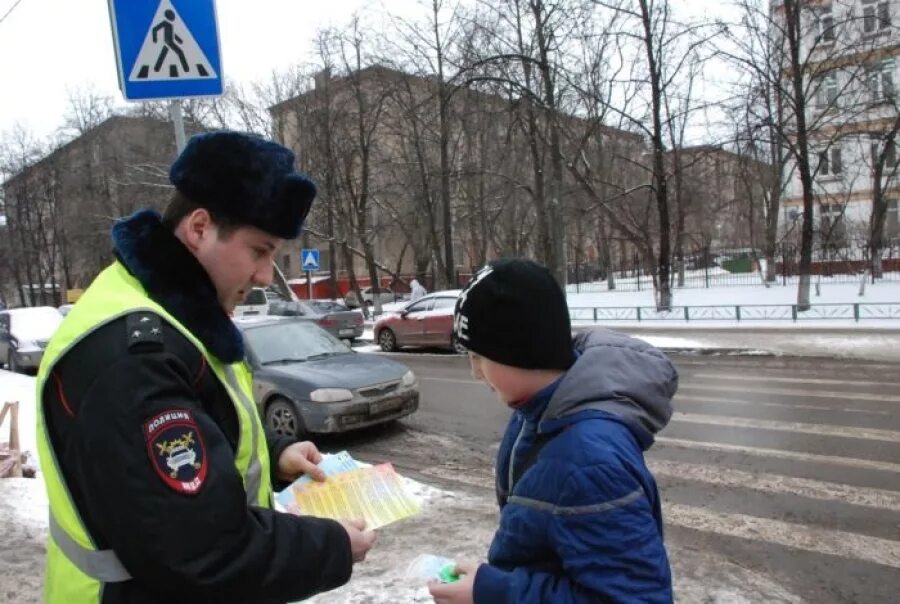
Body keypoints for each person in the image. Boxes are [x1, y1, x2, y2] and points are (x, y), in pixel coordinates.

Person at [36, 131, 376, 603]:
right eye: (259, 251)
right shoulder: (137, 359)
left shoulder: (172, 316)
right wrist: (333, 546)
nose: (263, 277)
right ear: (199, 229)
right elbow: (203, 551)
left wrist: (276, 452)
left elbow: (198, 420)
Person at [429, 258, 676, 603]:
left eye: (478, 357)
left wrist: (496, 591)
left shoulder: (588, 462)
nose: (474, 373)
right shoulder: (536, 413)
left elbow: (635, 598)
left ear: (519, 351)